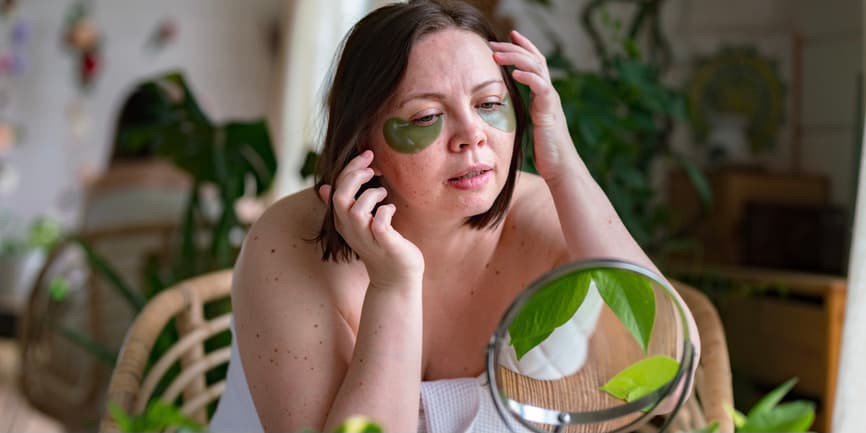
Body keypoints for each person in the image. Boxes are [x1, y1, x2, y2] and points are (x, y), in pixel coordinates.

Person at [210, 1, 699, 432]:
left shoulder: (547, 216)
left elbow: (671, 381)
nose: (473, 134)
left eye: (490, 104)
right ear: (363, 141)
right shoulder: (288, 241)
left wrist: (565, 167)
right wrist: (394, 286)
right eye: (426, 117)